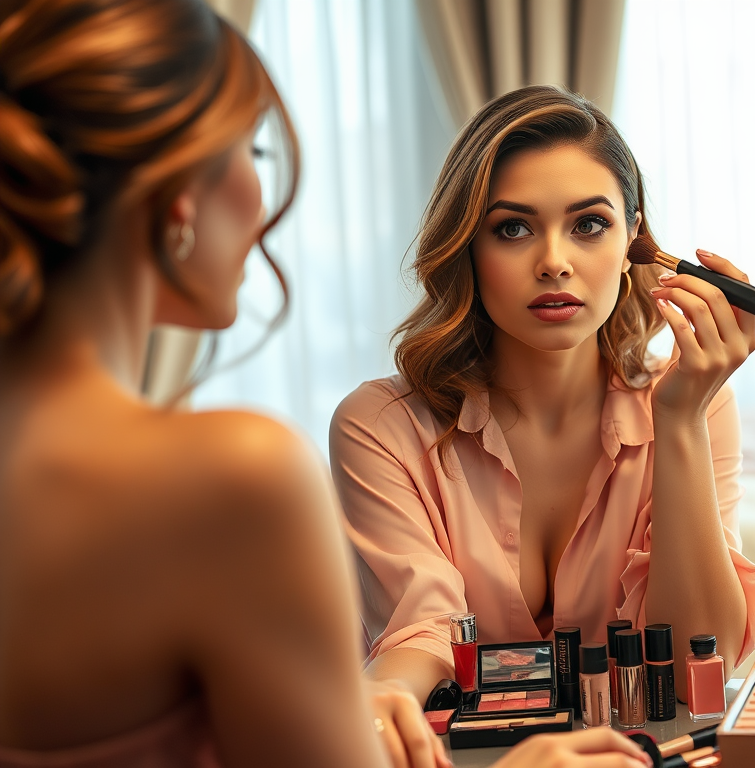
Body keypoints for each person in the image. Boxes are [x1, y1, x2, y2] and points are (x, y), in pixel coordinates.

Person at [0, 3, 654, 767]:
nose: (261, 198)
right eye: (250, 151)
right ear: (179, 199)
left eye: (589, 224)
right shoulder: (238, 472)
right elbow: (420, 626)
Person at [331, 85, 755, 706]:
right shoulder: (379, 426)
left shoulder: (689, 401)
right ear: (468, 247)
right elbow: (421, 633)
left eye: (589, 224)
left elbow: (694, 665)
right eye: (512, 228)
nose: (554, 261)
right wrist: (377, 710)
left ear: (632, 243)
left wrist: (678, 421)